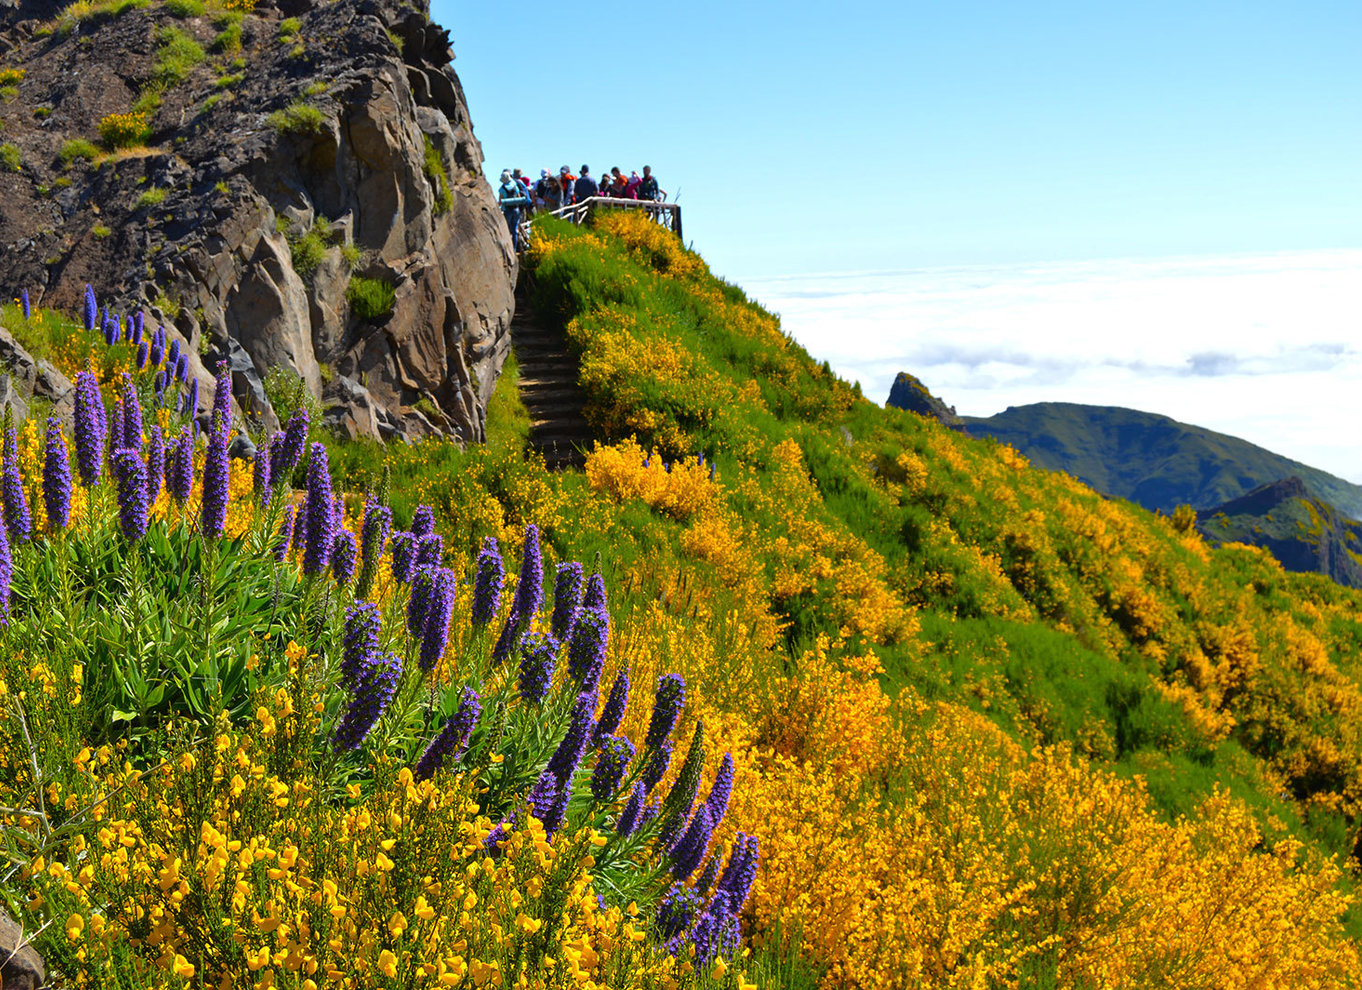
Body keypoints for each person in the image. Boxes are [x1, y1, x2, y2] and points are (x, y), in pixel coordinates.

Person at [497, 169, 529, 250]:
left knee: (506, 229)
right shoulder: (515, 185)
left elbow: (500, 202)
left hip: (507, 211)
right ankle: (514, 249)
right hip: (516, 210)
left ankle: (507, 249)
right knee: (515, 231)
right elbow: (518, 197)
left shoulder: (502, 189)